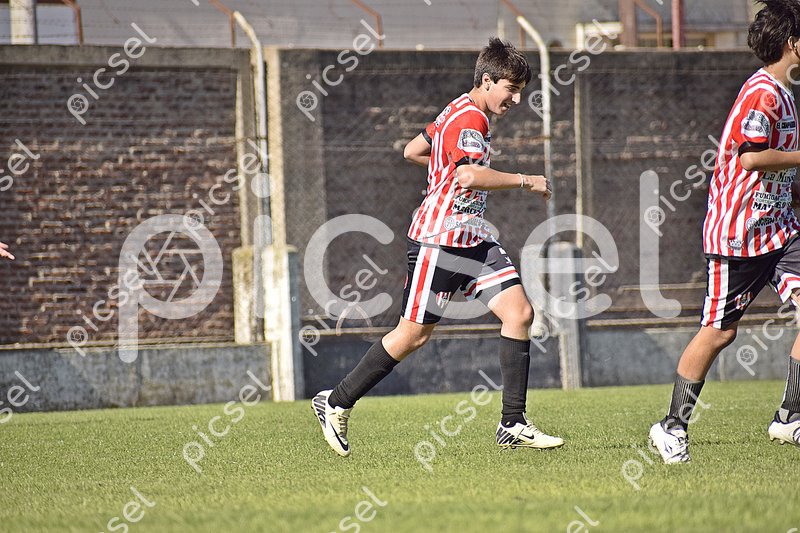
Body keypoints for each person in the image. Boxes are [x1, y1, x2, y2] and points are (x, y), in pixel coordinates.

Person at [312, 37, 563, 457]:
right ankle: (335, 401)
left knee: (519, 313)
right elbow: (468, 177)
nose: (517, 99)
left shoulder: (456, 108)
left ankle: (513, 423)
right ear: (487, 80)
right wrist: (527, 180)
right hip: (439, 242)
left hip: (473, 238)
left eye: (521, 91)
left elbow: (413, 150)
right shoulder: (472, 119)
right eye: (511, 89)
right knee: (413, 335)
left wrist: (446, 168)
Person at [650, 0, 800, 464]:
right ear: (793, 43)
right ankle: (671, 426)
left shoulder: (785, 92)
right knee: (719, 333)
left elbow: (778, 169)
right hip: (739, 235)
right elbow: (751, 157)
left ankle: (790, 416)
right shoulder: (763, 93)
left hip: (781, 230)